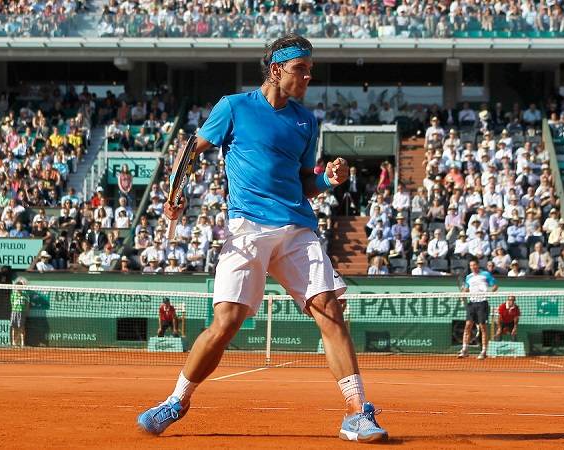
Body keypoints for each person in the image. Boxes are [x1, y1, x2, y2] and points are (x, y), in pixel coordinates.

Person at [137, 35, 387, 443]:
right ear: (276, 70)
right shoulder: (233, 107)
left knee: (328, 309)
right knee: (226, 322)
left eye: (310, 69)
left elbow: (305, 183)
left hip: (296, 228)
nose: (307, 76)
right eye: (299, 69)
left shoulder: (306, 121)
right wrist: (174, 192)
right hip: (247, 228)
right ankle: (177, 401)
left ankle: (358, 412)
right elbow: (191, 148)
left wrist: (329, 178)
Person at [459, 258, 498, 359]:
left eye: (474, 265)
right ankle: (465, 349)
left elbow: (495, 286)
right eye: (471, 266)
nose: (473, 267)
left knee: (482, 327)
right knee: (468, 325)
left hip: (482, 303)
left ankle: (484, 351)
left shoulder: (486, 274)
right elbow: (467, 289)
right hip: (472, 303)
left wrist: (489, 293)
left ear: (478, 265)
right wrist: (463, 294)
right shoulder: (468, 277)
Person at [10, 278, 30, 347]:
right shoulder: (13, 294)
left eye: (20, 287)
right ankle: (13, 342)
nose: (18, 289)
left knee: (21, 327)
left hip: (22, 312)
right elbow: (12, 303)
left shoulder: (25, 295)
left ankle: (22, 342)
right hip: (14, 312)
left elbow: (27, 304)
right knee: (13, 327)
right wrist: (13, 310)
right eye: (17, 287)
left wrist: (26, 311)